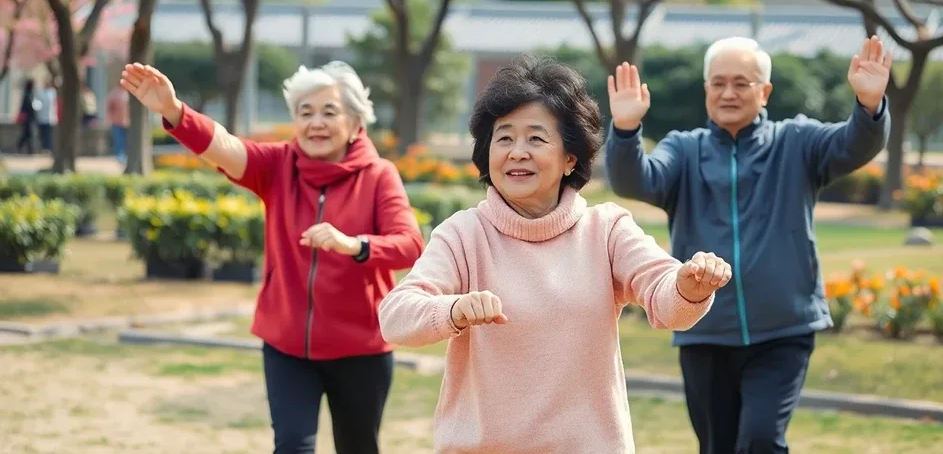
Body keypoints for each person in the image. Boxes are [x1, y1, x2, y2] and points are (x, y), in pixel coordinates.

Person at [378, 56, 732, 454]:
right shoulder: (464, 234)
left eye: (536, 138)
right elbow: (395, 317)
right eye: (504, 137)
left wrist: (689, 287)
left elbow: (669, 304)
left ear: (570, 158)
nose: (517, 152)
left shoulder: (607, 229)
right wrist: (453, 311)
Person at [604, 36, 892, 454]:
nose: (728, 93)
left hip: (783, 331)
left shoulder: (796, 142)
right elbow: (635, 179)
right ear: (706, 91)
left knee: (761, 441)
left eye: (742, 83)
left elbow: (854, 144)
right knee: (717, 446)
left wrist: (869, 107)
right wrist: (627, 130)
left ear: (765, 92)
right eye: (718, 83)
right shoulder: (684, 150)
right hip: (704, 331)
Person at [120, 60, 425, 454]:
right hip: (286, 345)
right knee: (292, 446)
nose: (316, 122)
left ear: (355, 122)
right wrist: (174, 111)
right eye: (305, 112)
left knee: (358, 447)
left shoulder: (379, 175)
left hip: (360, 348)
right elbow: (226, 147)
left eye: (329, 112)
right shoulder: (278, 165)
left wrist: (355, 245)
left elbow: (410, 244)